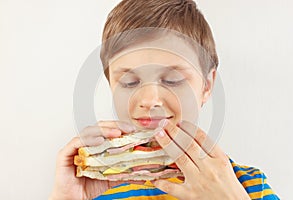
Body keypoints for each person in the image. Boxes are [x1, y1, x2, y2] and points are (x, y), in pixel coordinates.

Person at [49, 0, 280, 199]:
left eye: (172, 80)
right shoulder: (91, 189)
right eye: (130, 82)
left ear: (207, 86)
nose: (150, 100)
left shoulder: (248, 187)